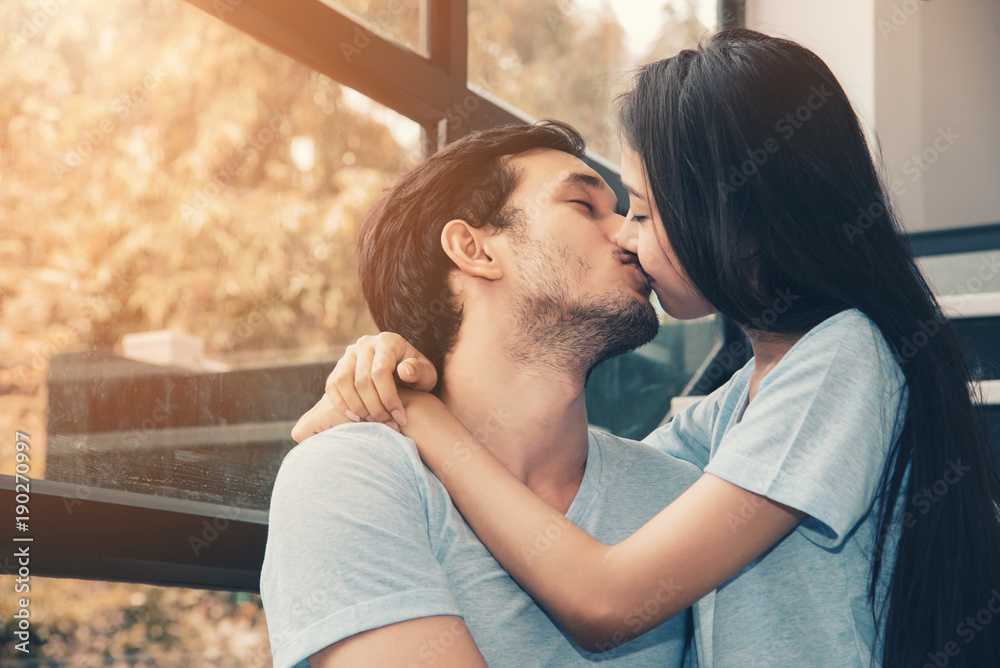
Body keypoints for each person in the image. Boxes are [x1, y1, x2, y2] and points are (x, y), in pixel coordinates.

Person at [299, 28, 1000, 667]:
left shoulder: (844, 357)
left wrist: (420, 415)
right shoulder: (733, 412)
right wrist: (375, 378)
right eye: (596, 206)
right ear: (472, 248)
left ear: (737, 214)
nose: (629, 239)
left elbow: (605, 602)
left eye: (642, 208)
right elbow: (321, 443)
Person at [262, 120, 704, 668]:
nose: (630, 235)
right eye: (584, 206)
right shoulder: (347, 475)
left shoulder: (684, 498)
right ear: (473, 249)